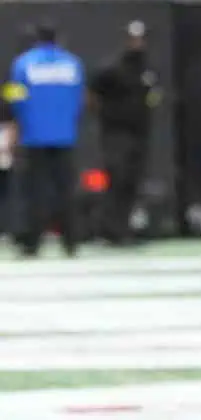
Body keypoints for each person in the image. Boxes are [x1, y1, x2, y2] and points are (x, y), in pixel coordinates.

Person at [3, 24, 85, 258]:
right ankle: (71, 242)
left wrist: (17, 124)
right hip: (65, 135)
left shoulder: (23, 63)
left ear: (36, 39)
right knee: (66, 190)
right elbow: (79, 97)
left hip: (34, 136)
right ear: (58, 38)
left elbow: (14, 97)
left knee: (35, 192)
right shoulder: (73, 64)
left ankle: (32, 244)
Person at [88, 21, 158, 245]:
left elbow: (152, 97)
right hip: (116, 134)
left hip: (139, 133)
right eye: (133, 38)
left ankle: (124, 229)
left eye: (141, 39)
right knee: (117, 178)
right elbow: (92, 92)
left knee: (132, 181)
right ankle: (108, 229)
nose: (137, 43)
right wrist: (105, 117)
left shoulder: (147, 70)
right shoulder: (112, 68)